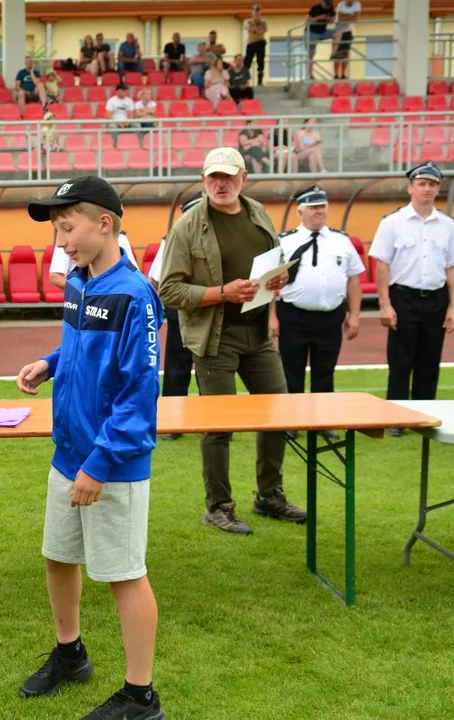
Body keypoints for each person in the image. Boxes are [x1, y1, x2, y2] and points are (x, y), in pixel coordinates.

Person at [16, 176, 165, 720]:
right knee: (58, 557)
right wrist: (51, 362)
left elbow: (139, 392)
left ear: (105, 223)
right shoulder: (79, 282)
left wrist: (100, 464)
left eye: (69, 227)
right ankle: (70, 653)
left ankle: (141, 695)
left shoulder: (135, 295)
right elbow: (81, 347)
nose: (62, 240)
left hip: (113, 464)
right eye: (57, 229)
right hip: (68, 453)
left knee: (124, 574)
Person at [158, 147, 304, 535]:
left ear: (243, 179)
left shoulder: (257, 213)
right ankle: (218, 506)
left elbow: (273, 261)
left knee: (278, 413)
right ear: (203, 181)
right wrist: (222, 292)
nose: (220, 184)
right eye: (212, 178)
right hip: (214, 337)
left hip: (257, 333)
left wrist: (279, 279)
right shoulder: (187, 226)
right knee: (220, 424)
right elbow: (169, 291)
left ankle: (269, 495)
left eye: (228, 177)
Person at [369, 161, 454, 435]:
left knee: (429, 359)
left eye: (432, 185)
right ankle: (396, 419)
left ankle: (425, 416)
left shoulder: (448, 225)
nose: (426, 189)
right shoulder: (392, 223)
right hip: (403, 297)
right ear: (410, 188)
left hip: (436, 300)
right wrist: (385, 304)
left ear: (438, 190)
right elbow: (382, 265)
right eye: (421, 184)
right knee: (400, 360)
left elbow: (453, 268)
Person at [270, 186, 363, 440]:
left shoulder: (341, 241)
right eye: (312, 207)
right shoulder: (284, 241)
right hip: (293, 316)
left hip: (330, 316)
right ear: (300, 211)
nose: (318, 212)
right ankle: (292, 421)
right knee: (292, 371)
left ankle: (323, 421)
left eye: (322, 207)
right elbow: (268, 281)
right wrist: (272, 317)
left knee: (325, 370)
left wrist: (354, 315)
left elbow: (354, 279)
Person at [148, 195, 203, 442]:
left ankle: (215, 421)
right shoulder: (171, 240)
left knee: (211, 368)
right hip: (181, 312)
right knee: (177, 367)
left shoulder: (220, 240)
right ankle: (172, 422)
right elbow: (155, 280)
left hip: (212, 312)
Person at [49, 229, 138, 290]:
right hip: (81, 303)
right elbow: (55, 276)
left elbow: (134, 275)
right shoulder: (66, 239)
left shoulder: (120, 238)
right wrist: (85, 292)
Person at [331, 0, 361, 79]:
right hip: (337, 30)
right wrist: (351, 15)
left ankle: (343, 74)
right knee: (337, 54)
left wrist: (346, 16)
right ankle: (336, 75)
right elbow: (340, 18)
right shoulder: (341, 4)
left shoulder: (357, 4)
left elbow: (356, 18)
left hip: (347, 31)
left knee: (345, 53)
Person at [306, 0, 335, 79]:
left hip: (323, 31)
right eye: (326, 5)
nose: (327, 7)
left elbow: (333, 20)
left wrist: (328, 18)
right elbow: (308, 20)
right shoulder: (316, 8)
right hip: (312, 32)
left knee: (338, 33)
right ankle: (310, 74)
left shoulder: (331, 9)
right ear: (323, 3)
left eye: (329, 6)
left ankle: (334, 53)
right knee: (311, 54)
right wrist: (319, 18)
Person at [245, 4, 269, 86]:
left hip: (260, 43)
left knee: (261, 63)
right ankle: (245, 81)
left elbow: (263, 30)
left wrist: (256, 29)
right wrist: (257, 29)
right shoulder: (249, 21)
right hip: (251, 43)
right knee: (247, 63)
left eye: (258, 10)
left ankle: (260, 81)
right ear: (252, 12)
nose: (256, 12)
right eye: (255, 10)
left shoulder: (263, 21)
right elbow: (251, 30)